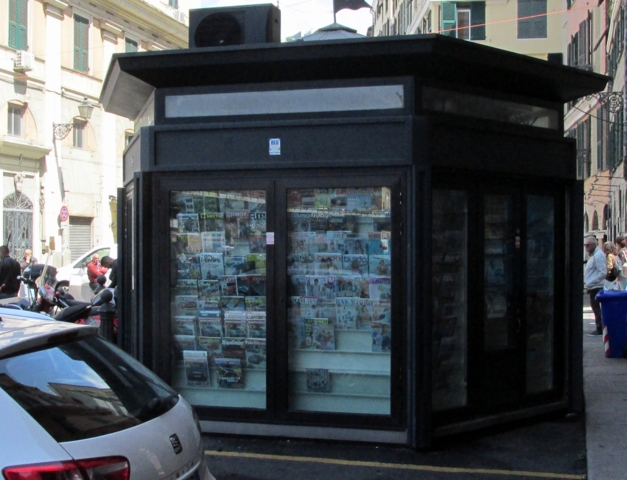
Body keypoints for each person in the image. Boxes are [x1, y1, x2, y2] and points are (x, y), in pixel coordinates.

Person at [584, 236, 607, 336]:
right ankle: (599, 327)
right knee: (595, 307)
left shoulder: (598, 255)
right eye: (585, 245)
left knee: (596, 307)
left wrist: (591, 282)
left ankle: (599, 328)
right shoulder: (594, 255)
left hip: (596, 286)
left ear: (593, 245)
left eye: (587, 245)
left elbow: (602, 272)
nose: (586, 247)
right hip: (593, 286)